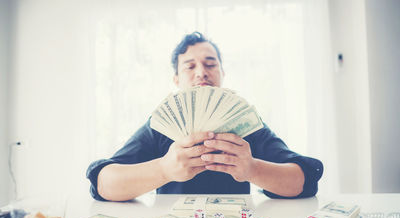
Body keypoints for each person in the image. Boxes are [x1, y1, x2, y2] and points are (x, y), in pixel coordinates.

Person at [86, 32, 323, 201]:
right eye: (190, 66)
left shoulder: (246, 123)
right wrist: (163, 170)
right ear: (177, 80)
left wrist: (252, 169)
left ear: (222, 73)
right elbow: (104, 183)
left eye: (210, 64)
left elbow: (304, 179)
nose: (201, 73)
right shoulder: (160, 126)